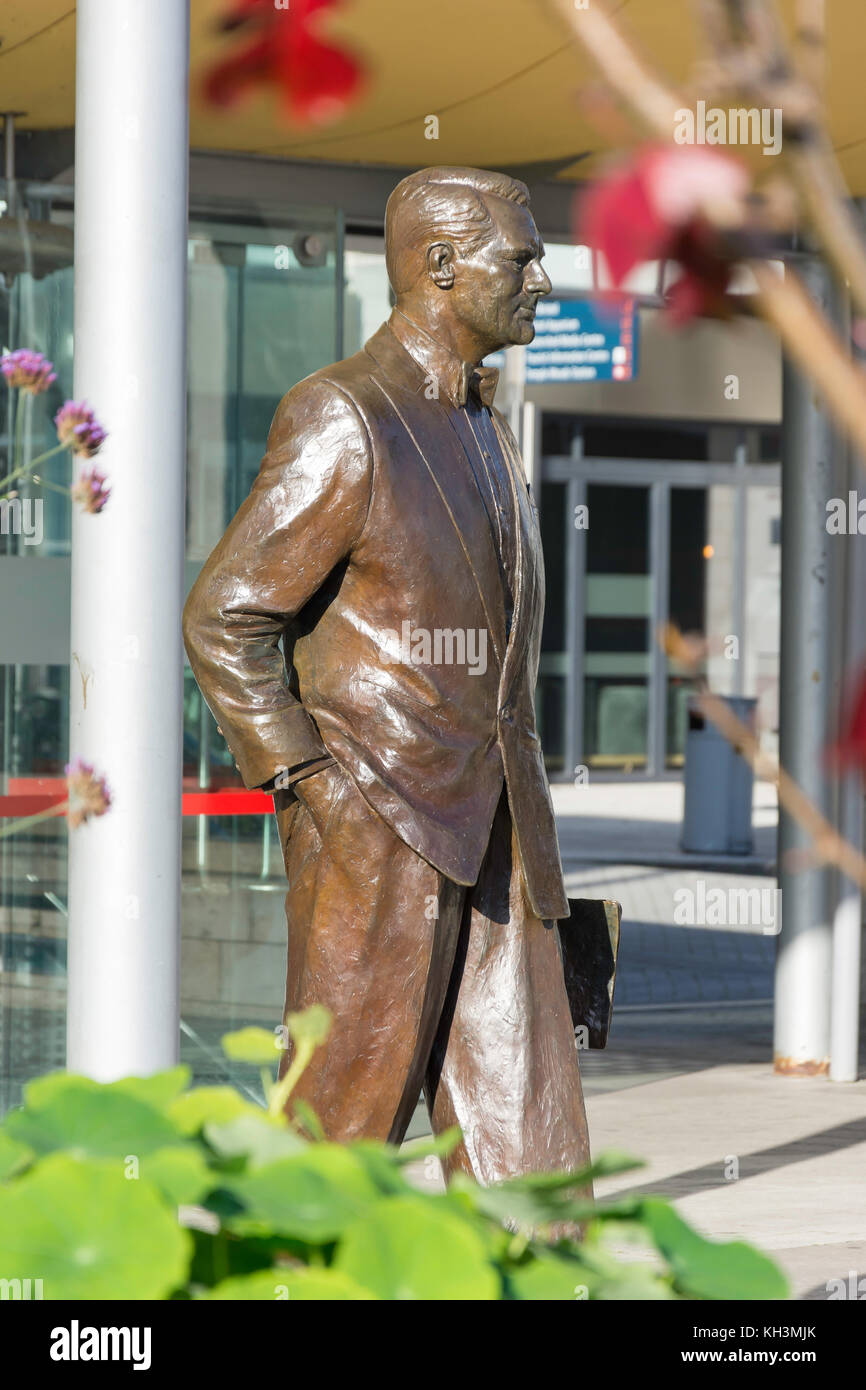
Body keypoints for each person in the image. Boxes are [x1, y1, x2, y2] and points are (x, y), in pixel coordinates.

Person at [183, 167, 590, 1184]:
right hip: (375, 830)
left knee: (529, 1157)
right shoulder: (344, 415)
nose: (542, 278)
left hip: (500, 838)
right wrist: (315, 787)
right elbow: (226, 615)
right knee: (332, 1143)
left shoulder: (482, 422)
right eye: (522, 257)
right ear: (444, 266)